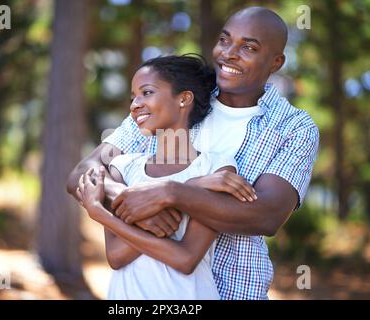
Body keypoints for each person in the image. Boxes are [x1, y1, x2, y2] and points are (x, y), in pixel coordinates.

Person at [68, 6, 319, 300]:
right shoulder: (178, 98)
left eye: (248, 47)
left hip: (237, 292)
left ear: (276, 62)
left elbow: (266, 215)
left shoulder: (294, 127)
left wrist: (168, 194)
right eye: (225, 40)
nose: (229, 53)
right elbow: (80, 175)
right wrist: (130, 199)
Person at [77, 55, 256, 299]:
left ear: (184, 98)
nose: (134, 105)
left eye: (146, 92)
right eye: (133, 98)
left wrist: (101, 214)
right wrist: (192, 189)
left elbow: (185, 258)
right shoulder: (122, 167)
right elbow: (117, 256)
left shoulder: (216, 167)